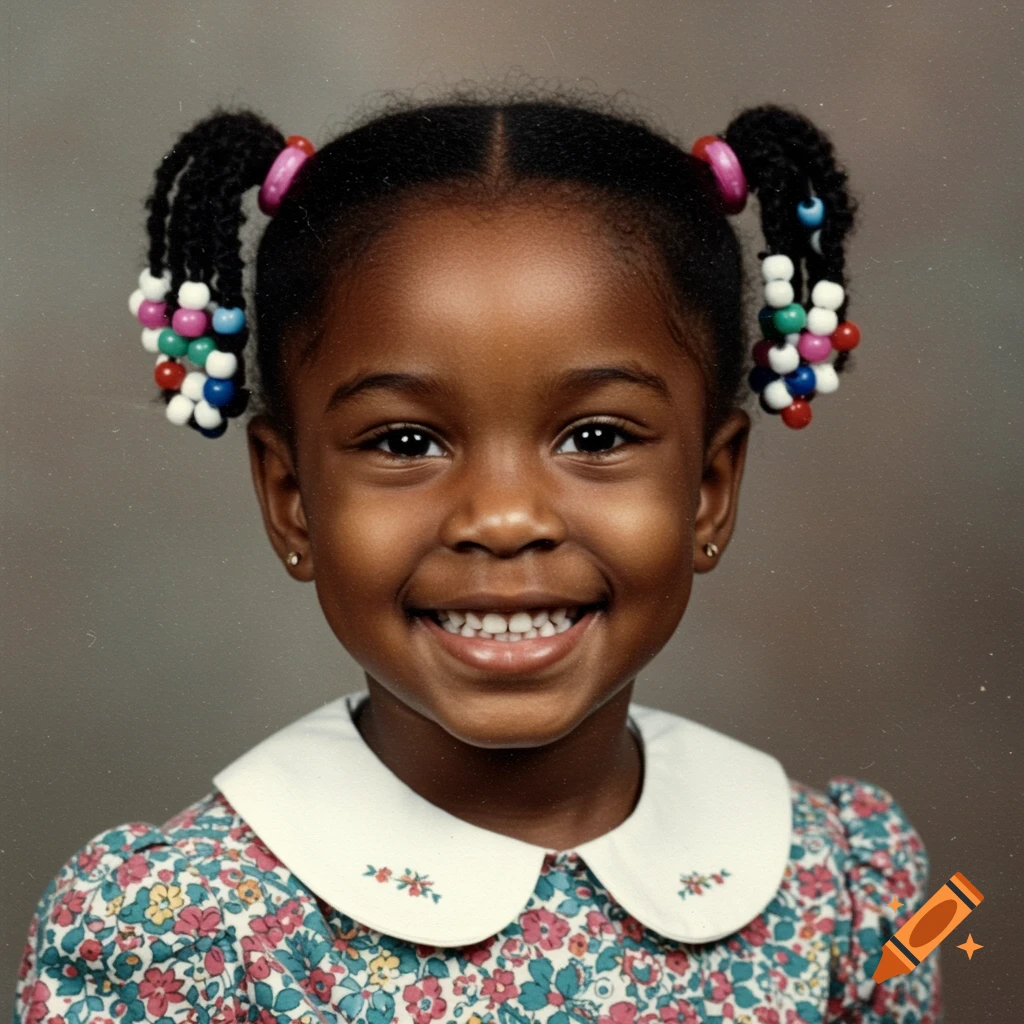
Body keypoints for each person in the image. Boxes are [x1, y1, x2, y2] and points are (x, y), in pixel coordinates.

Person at [13, 86, 939, 1023]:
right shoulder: (180, 936)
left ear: (710, 489)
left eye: (596, 437)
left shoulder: (843, 893)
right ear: (291, 500)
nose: (503, 519)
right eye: (406, 443)